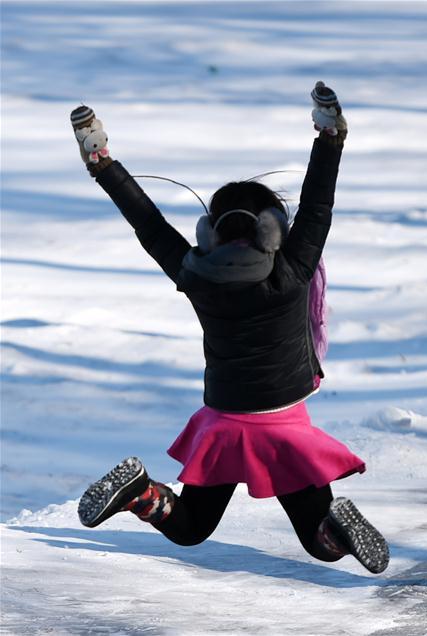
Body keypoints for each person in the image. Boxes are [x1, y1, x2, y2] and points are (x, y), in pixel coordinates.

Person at [73, 83, 389, 575]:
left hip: (223, 423)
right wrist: (330, 137)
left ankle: (141, 492)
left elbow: (148, 224)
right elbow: (318, 205)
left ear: (212, 229)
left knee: (192, 525)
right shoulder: (291, 272)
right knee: (314, 536)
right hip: (283, 427)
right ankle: (333, 528)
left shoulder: (195, 274)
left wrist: (103, 164)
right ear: (272, 229)